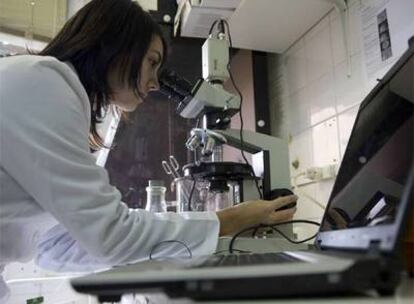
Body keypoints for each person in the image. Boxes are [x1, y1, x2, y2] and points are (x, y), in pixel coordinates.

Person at [0, 0, 297, 301]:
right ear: (114, 45)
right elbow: (110, 234)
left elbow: (53, 248)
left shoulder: (43, 86)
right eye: (152, 62)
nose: (155, 82)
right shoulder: (44, 85)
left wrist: (159, 251)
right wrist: (231, 219)